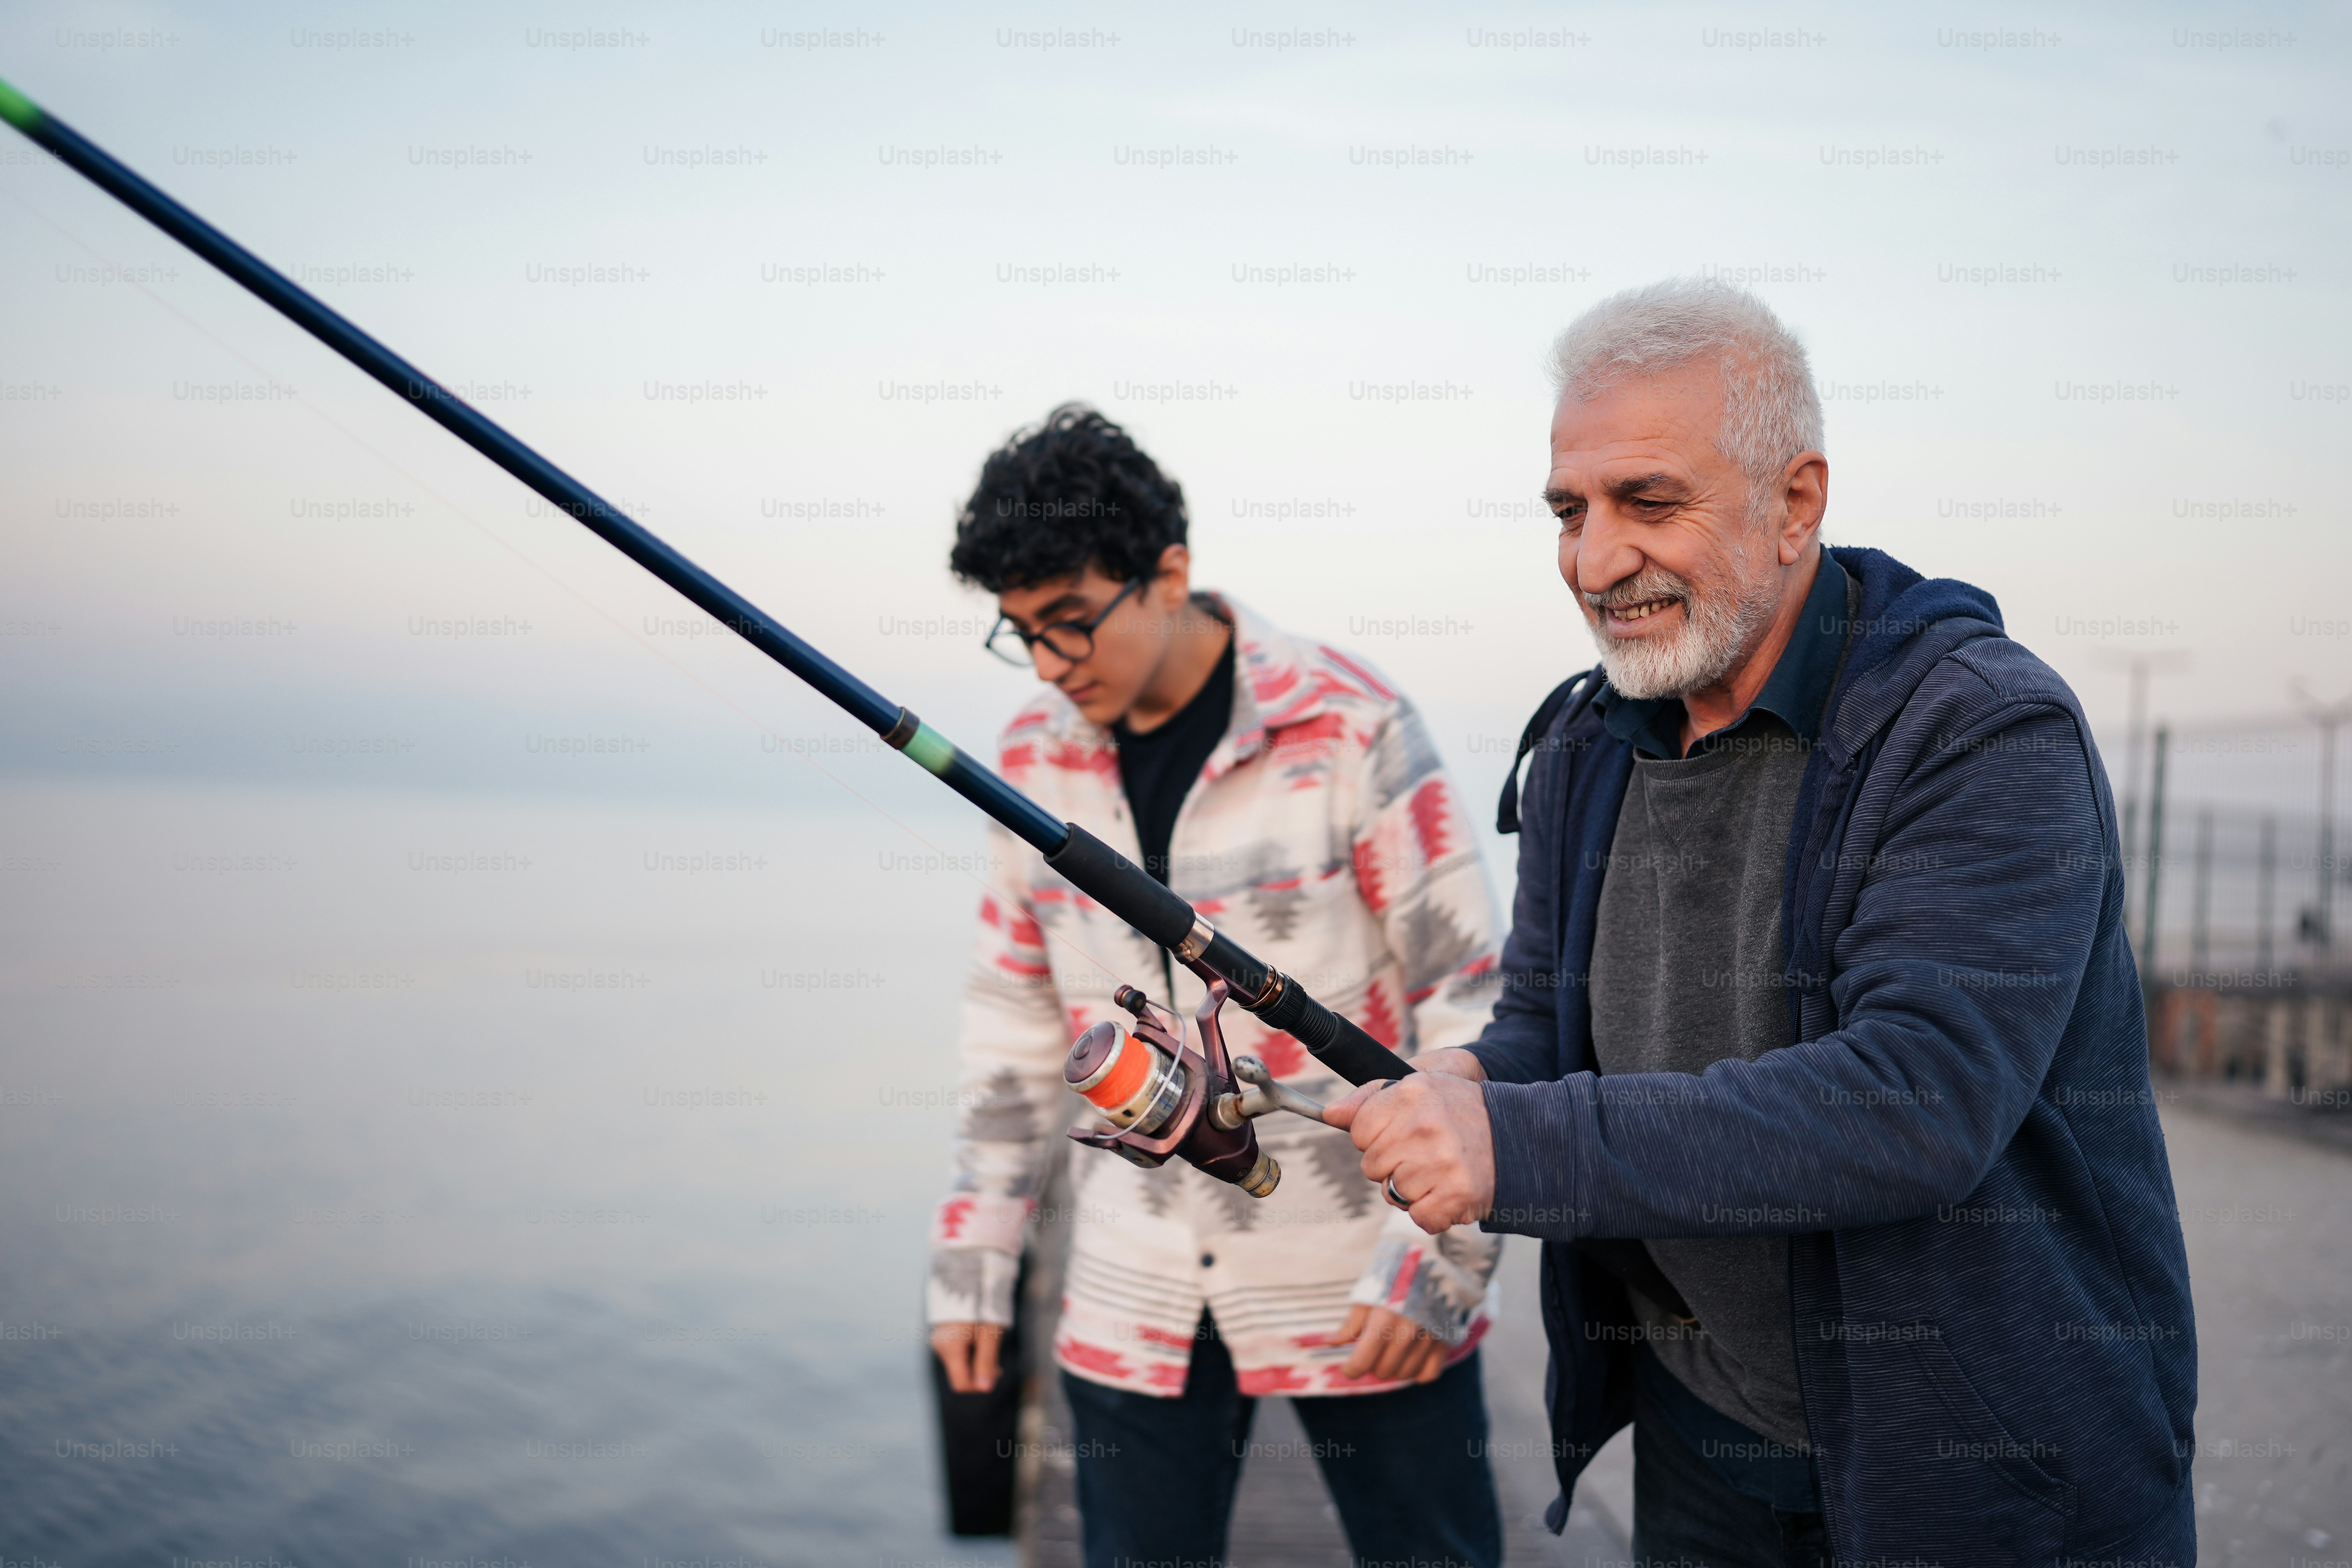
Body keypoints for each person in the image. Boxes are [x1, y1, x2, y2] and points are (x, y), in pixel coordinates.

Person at [1328, 280, 2197, 1567]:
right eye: (1570, 511)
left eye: (1649, 503)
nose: (1595, 560)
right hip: (1701, 1443)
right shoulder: (1582, 739)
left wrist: (1513, 1143)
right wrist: (1463, 1079)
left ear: (1797, 503)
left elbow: (1917, 1101)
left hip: (1981, 1470)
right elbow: (1542, 1027)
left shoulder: (1984, 730)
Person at [926, 405, 1509, 1567]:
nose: (1048, 664)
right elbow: (1011, 1032)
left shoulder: (1354, 724)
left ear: (1171, 573)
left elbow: (1476, 1000)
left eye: (1071, 623)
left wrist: (1443, 1258)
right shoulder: (1032, 759)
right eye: (1019, 634)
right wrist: (976, 1256)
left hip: (1365, 1278)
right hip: (1132, 1291)